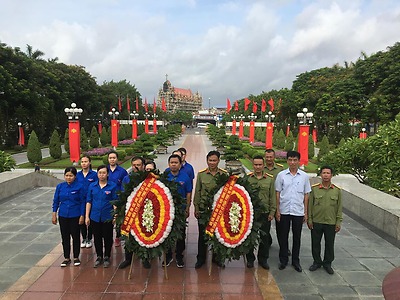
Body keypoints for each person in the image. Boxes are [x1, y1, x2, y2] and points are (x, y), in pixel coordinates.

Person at [275, 150, 311, 272]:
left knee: (297, 237)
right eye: (290, 160)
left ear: (298, 161)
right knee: (283, 236)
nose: (292, 162)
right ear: (287, 161)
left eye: (295, 160)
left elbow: (306, 195)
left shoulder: (305, 176)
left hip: (298, 211)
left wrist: (305, 212)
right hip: (284, 210)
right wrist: (278, 210)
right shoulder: (281, 175)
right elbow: (278, 193)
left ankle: (296, 261)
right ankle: (283, 260)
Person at [193, 150, 227, 269]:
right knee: (203, 236)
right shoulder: (201, 174)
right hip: (203, 210)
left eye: (214, 160)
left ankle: (217, 258)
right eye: (210, 160)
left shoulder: (224, 175)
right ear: (207, 161)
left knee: (218, 235)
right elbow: (197, 191)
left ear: (219, 161)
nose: (212, 163)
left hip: (218, 211)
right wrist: (196, 207)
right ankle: (201, 258)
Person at [308, 166, 342, 275]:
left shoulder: (337, 191)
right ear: (321, 175)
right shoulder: (314, 189)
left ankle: (327, 263)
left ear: (331, 175)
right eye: (324, 173)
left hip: (330, 222)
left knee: (329, 244)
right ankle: (317, 262)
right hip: (317, 220)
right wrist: (309, 219)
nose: (326, 175)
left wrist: (338, 222)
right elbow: (310, 205)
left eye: (328, 173)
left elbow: (339, 207)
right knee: (315, 243)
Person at [118, 156, 151, 269]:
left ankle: (145, 258)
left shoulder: (148, 178)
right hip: (130, 210)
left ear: (143, 166)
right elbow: (123, 194)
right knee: (129, 235)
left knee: (144, 234)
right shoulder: (127, 178)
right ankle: (128, 258)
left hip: (144, 211)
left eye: (138, 165)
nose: (135, 167)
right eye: (133, 165)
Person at [246, 155, 276, 269]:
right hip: (251, 213)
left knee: (264, 237)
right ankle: (250, 259)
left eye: (260, 165)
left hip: (265, 213)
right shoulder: (248, 178)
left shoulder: (269, 179)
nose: (258, 167)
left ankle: (263, 259)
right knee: (250, 237)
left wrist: (272, 212)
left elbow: (272, 196)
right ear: (252, 165)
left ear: (263, 165)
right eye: (255, 164)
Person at [52, 167, 85, 267]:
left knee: (75, 236)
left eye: (71, 176)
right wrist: (54, 213)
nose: (68, 177)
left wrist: (82, 215)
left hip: (75, 215)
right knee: (65, 236)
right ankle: (66, 257)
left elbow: (83, 202)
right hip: (63, 215)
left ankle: (76, 257)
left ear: (75, 176)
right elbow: (56, 201)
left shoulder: (80, 186)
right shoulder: (60, 186)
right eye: (66, 175)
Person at [86, 165, 118, 268]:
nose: (101, 175)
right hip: (95, 216)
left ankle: (107, 256)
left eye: (104, 173)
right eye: (100, 173)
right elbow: (89, 202)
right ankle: (99, 256)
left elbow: (115, 202)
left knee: (108, 237)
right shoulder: (92, 186)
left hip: (107, 217)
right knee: (97, 237)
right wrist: (87, 216)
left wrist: (115, 216)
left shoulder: (112, 186)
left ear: (107, 174)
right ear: (97, 174)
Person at [164, 154, 192, 268]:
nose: (173, 165)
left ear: (180, 165)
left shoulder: (185, 177)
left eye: (176, 163)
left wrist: (187, 207)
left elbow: (188, 192)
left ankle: (179, 256)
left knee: (180, 234)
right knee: (167, 233)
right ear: (169, 164)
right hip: (167, 210)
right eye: (172, 163)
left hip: (180, 210)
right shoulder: (165, 176)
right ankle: (168, 255)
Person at [107, 150, 128, 247]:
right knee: (108, 218)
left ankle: (118, 236)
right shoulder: (105, 170)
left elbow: (125, 183)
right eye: (110, 158)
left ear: (117, 159)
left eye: (114, 158)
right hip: (107, 198)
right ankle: (108, 237)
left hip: (118, 198)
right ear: (108, 159)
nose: (112, 160)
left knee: (118, 218)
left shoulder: (122, 171)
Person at [76, 155, 97, 249]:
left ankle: (89, 238)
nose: (84, 163)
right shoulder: (77, 175)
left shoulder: (94, 175)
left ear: (90, 162)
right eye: (82, 162)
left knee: (90, 220)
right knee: (81, 220)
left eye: (86, 161)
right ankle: (84, 237)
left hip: (91, 201)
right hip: (80, 201)